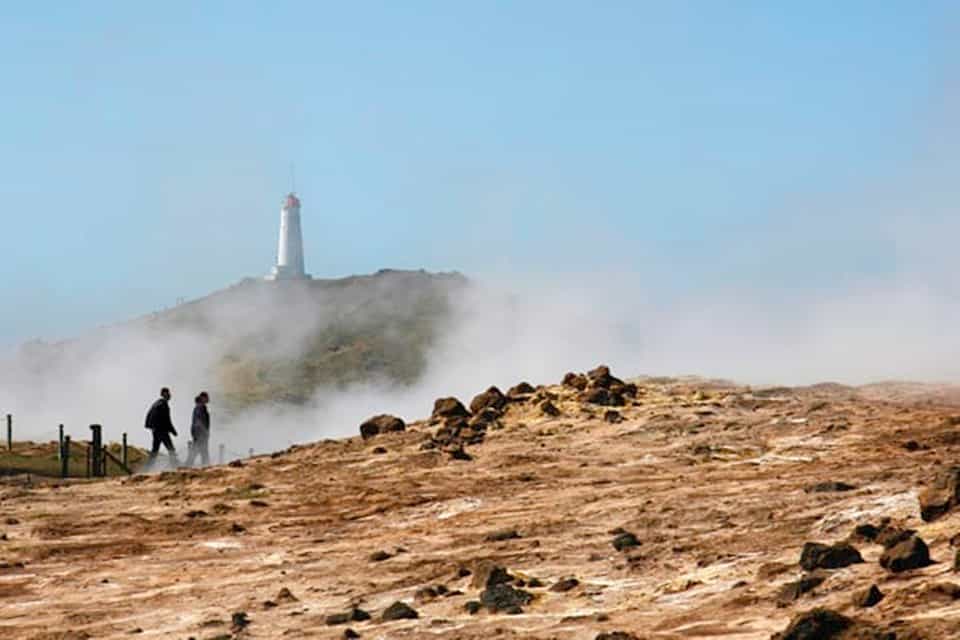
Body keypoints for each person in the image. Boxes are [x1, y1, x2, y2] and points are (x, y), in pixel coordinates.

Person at [144, 387, 179, 469]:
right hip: (161, 430)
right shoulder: (162, 404)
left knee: (155, 450)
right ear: (164, 394)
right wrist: (173, 431)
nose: (170, 395)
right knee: (171, 449)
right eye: (168, 393)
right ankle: (175, 467)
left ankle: (147, 468)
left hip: (156, 430)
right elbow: (166, 419)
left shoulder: (157, 403)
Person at [185, 391, 211, 467]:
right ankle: (188, 465)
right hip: (200, 434)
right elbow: (199, 421)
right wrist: (205, 432)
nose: (208, 399)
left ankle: (205, 465)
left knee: (202, 451)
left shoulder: (199, 407)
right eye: (207, 397)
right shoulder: (200, 407)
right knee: (197, 451)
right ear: (203, 398)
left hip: (198, 433)